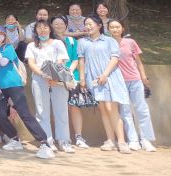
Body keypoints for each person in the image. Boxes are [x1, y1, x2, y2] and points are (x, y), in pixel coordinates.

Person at [0, 26, 56, 159]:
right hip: (0, 88)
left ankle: (44, 143)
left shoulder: (7, 48)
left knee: (24, 113)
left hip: (14, 84)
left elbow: (3, 62)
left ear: (4, 35)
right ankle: (14, 139)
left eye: (0, 33)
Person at [78, 15, 130, 154]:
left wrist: (105, 74)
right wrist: (82, 79)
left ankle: (122, 141)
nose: (88, 26)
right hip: (94, 80)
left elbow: (115, 59)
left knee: (111, 108)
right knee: (103, 109)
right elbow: (81, 60)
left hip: (110, 77)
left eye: (90, 24)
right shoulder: (82, 42)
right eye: (86, 24)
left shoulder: (109, 40)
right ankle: (110, 140)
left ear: (99, 25)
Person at [25, 19, 73, 153]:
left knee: (61, 110)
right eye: (39, 27)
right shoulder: (32, 46)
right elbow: (31, 63)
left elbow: (61, 60)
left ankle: (64, 141)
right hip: (39, 79)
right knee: (42, 111)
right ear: (35, 31)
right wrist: (43, 74)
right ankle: (47, 141)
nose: (42, 30)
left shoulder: (58, 43)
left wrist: (53, 76)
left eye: (45, 27)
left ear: (50, 29)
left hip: (57, 79)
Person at [109, 19, 156, 152]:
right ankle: (133, 140)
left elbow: (138, 61)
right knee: (125, 111)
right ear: (108, 29)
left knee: (142, 109)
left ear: (122, 28)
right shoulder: (107, 43)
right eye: (112, 27)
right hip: (119, 82)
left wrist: (143, 77)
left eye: (117, 27)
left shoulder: (130, 42)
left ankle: (146, 140)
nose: (115, 29)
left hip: (135, 80)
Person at [51, 15, 89, 149]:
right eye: (56, 24)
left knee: (74, 106)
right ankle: (60, 137)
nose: (59, 26)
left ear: (66, 26)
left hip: (72, 77)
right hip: (55, 77)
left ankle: (79, 136)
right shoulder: (50, 41)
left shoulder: (72, 41)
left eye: (61, 23)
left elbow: (75, 59)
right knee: (58, 107)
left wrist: (69, 72)